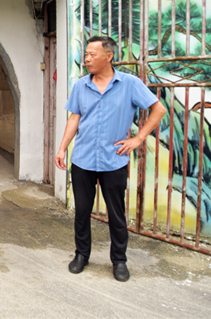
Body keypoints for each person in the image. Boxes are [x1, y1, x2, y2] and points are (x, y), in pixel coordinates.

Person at [55, 36, 166, 282]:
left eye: (92, 54)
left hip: (114, 160)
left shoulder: (129, 84)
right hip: (83, 159)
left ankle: (119, 260)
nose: (86, 59)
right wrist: (62, 148)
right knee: (82, 212)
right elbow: (74, 118)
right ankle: (81, 255)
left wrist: (138, 139)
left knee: (116, 214)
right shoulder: (81, 85)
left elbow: (158, 109)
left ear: (109, 56)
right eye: (86, 54)